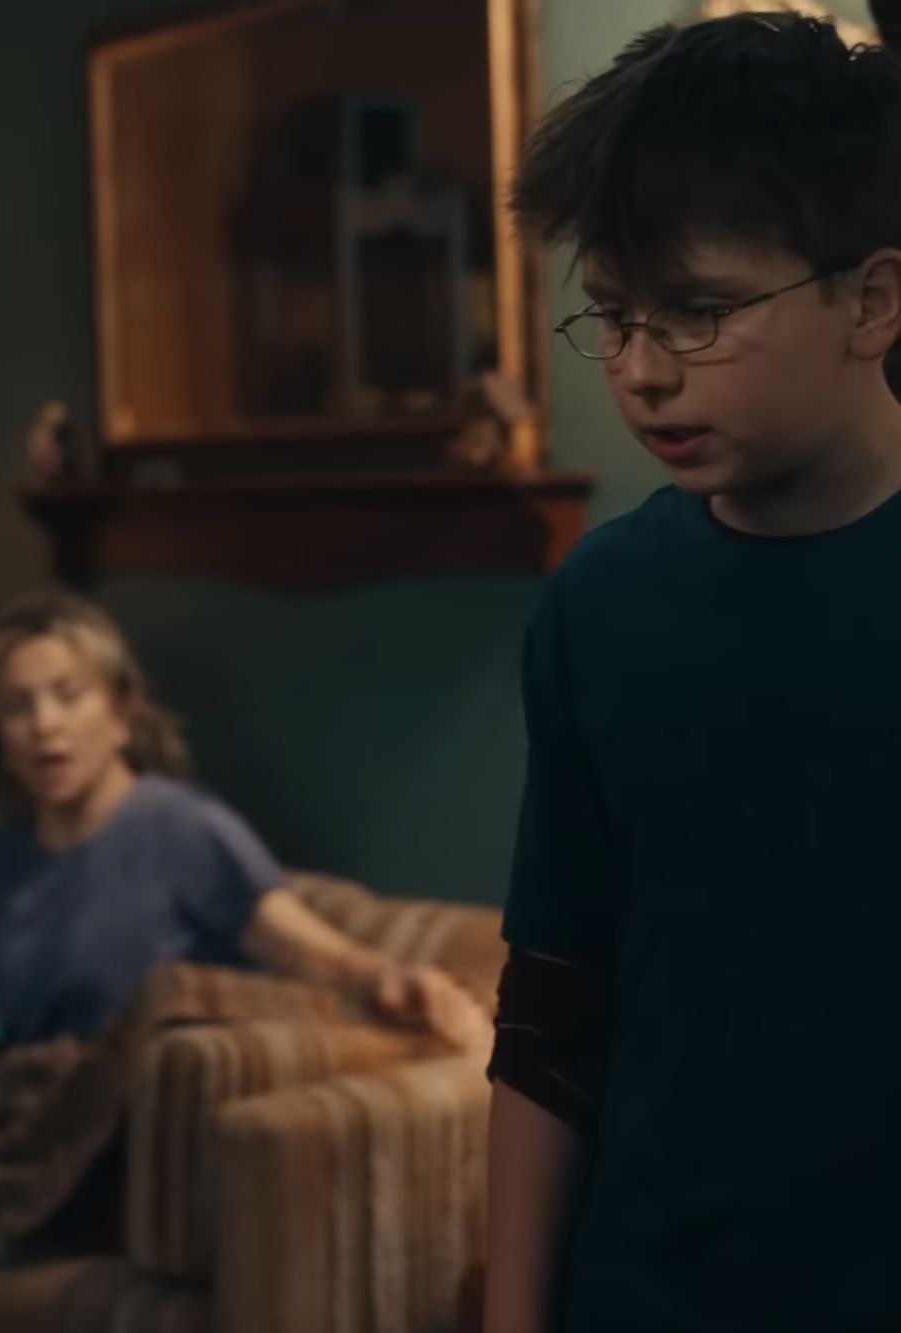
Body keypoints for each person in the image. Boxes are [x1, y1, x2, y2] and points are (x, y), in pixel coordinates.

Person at [485, 12, 901, 1333]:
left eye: (702, 313)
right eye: (612, 315)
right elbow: (551, 1013)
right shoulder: (602, 603)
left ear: (872, 301)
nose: (641, 372)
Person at [0, 589, 486, 1321]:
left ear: (121, 710)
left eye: (68, 694)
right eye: (19, 706)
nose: (45, 723)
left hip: (105, 1154)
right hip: (6, 1127)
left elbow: (305, 947)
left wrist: (392, 977)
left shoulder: (181, 829)